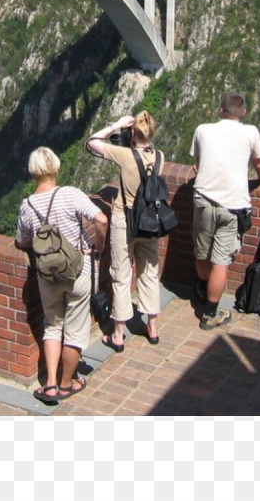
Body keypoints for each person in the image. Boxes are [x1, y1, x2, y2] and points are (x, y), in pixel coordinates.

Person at [15, 146, 108, 404]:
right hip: (78, 270)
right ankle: (68, 384)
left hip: (47, 275)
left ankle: (51, 384)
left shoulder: (27, 205)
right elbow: (101, 219)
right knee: (76, 330)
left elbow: (22, 241)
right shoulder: (70, 194)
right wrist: (98, 245)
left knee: (52, 325)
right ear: (56, 168)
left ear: (33, 173)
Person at [190, 91, 260, 330]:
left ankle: (203, 289)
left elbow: (198, 163)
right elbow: (259, 165)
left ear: (220, 110)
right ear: (243, 113)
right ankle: (210, 314)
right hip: (233, 205)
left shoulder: (203, 129)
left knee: (202, 253)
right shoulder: (250, 132)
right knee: (220, 262)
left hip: (203, 198)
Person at [87, 112, 164, 350]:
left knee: (121, 276)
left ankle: (118, 335)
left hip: (125, 219)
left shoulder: (124, 155)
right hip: (150, 221)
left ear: (133, 132)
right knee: (149, 273)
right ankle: (152, 328)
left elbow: (92, 142)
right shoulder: (160, 156)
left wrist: (116, 125)